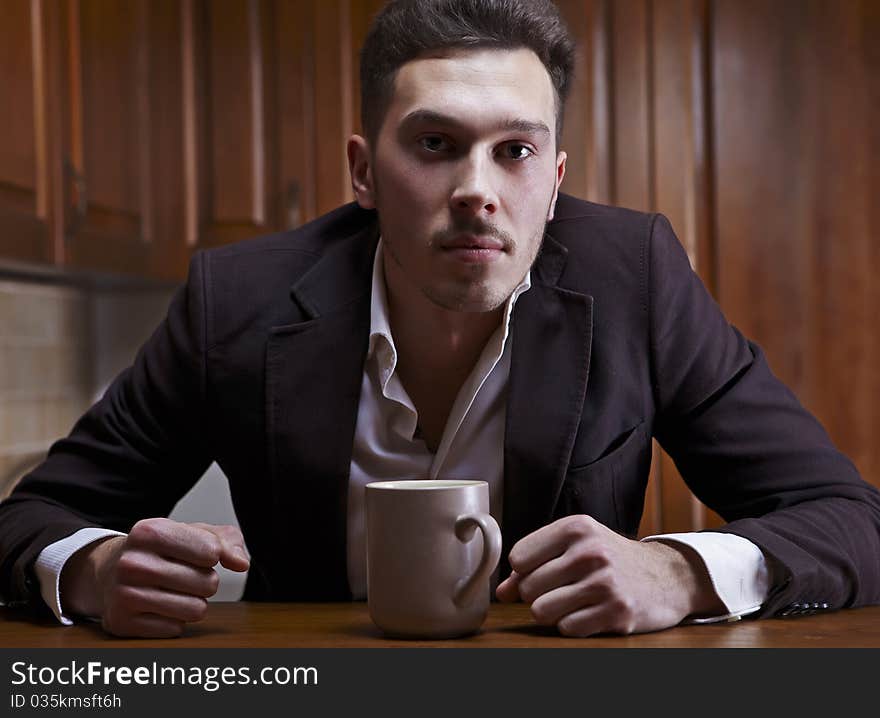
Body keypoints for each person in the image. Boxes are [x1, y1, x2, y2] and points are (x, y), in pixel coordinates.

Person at [1, 0, 879, 640]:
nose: (476, 191)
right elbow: (32, 518)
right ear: (363, 170)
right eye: (434, 144)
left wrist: (681, 572)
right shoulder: (236, 297)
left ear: (556, 176)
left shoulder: (635, 277)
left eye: (515, 151)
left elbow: (850, 517)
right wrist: (91, 569)